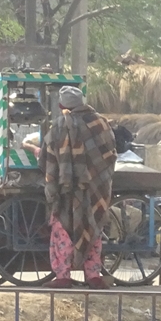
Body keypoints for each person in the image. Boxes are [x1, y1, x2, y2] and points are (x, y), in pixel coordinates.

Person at [40, 86, 117, 290]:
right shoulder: (101, 123)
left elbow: (47, 157)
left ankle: (63, 276)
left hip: (67, 189)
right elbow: (109, 154)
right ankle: (93, 276)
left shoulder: (59, 126)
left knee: (63, 230)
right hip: (96, 188)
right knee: (93, 225)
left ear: (60, 105)